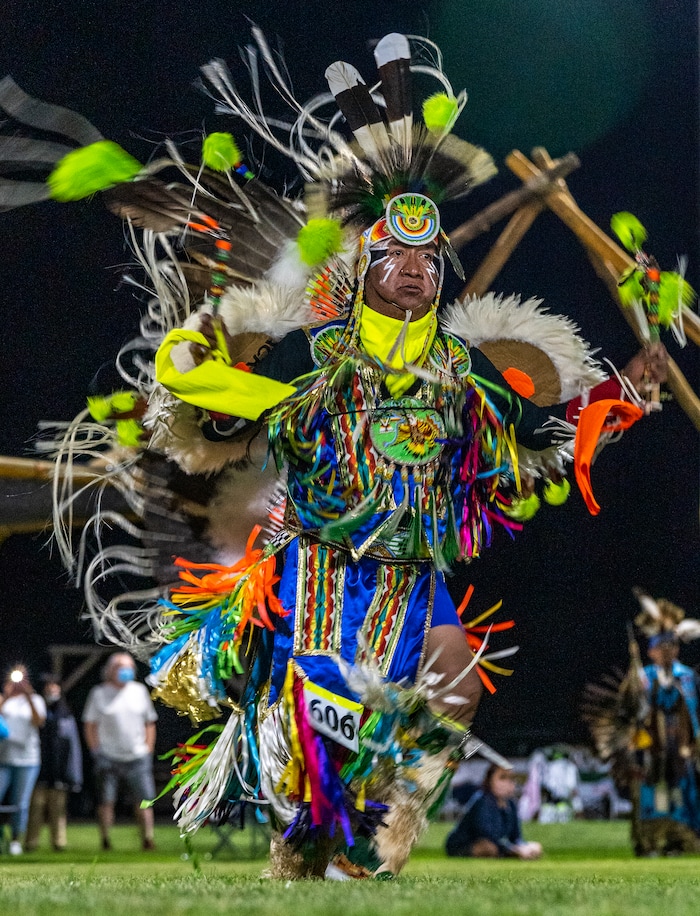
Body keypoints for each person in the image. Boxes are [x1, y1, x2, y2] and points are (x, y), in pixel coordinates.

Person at [0, 30, 675, 879]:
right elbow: (208, 382)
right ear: (367, 266)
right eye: (395, 256)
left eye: (428, 260)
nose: (415, 272)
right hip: (321, 570)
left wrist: (619, 396)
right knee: (325, 712)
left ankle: (372, 819)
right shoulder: (314, 356)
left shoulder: (462, 368)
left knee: (456, 685)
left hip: (412, 571)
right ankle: (322, 825)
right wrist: (199, 364)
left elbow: (538, 432)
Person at [82, 653, 158, 851]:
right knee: (106, 800)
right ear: (110, 670)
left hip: (137, 756)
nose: (125, 671)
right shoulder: (99, 693)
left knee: (144, 800)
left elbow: (150, 722)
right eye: (120, 666)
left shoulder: (140, 691)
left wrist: (148, 749)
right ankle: (106, 839)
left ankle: (147, 838)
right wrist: (96, 750)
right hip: (107, 756)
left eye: (129, 667)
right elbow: (90, 724)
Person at [25, 674, 83, 852]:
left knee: (58, 810)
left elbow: (72, 744)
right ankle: (31, 842)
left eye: (55, 687)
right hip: (38, 768)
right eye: (48, 687)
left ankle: (59, 842)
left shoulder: (65, 712)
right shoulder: (37, 709)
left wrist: (72, 772)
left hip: (59, 770)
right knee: (35, 808)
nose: (52, 690)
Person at [446, 764, 542, 859]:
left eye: (511, 778)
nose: (508, 782)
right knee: (488, 847)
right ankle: (510, 854)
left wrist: (523, 846)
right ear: (490, 781)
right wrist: (514, 849)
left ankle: (512, 853)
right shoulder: (482, 801)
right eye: (502, 778)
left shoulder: (511, 805)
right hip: (466, 844)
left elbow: (516, 837)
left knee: (535, 847)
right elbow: (485, 835)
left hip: (497, 844)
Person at [0, 666, 46, 855]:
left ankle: (16, 840)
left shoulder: (36, 700)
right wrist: (8, 696)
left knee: (21, 802)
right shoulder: (5, 699)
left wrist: (28, 697)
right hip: (4, 758)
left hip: (28, 759)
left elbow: (39, 722)